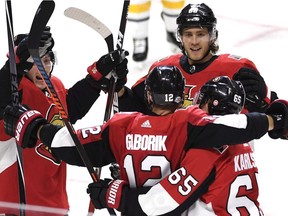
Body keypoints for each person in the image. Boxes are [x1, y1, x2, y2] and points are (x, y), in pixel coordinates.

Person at [3, 66, 288, 215]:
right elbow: (239, 125)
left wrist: (36, 127)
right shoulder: (203, 131)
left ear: (149, 96)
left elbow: (71, 144)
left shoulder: (122, 125)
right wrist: (274, 119)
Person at [86, 76, 266, 215]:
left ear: (210, 104)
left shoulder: (208, 151)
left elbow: (159, 204)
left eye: (201, 101)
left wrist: (112, 195)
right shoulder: (245, 146)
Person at [0, 27, 128, 215]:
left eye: (47, 60)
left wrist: (97, 76)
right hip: (14, 206)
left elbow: (69, 110)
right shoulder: (14, 93)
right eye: (37, 62)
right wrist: (13, 65)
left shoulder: (55, 86)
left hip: (55, 204)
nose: (44, 67)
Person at [119, 3, 278, 115]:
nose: (194, 41)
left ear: (212, 36)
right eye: (188, 34)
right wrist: (119, 89)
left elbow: (277, 123)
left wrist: (262, 99)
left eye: (200, 34)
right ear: (180, 37)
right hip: (174, 160)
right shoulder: (164, 68)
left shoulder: (237, 69)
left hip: (223, 159)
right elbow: (135, 110)